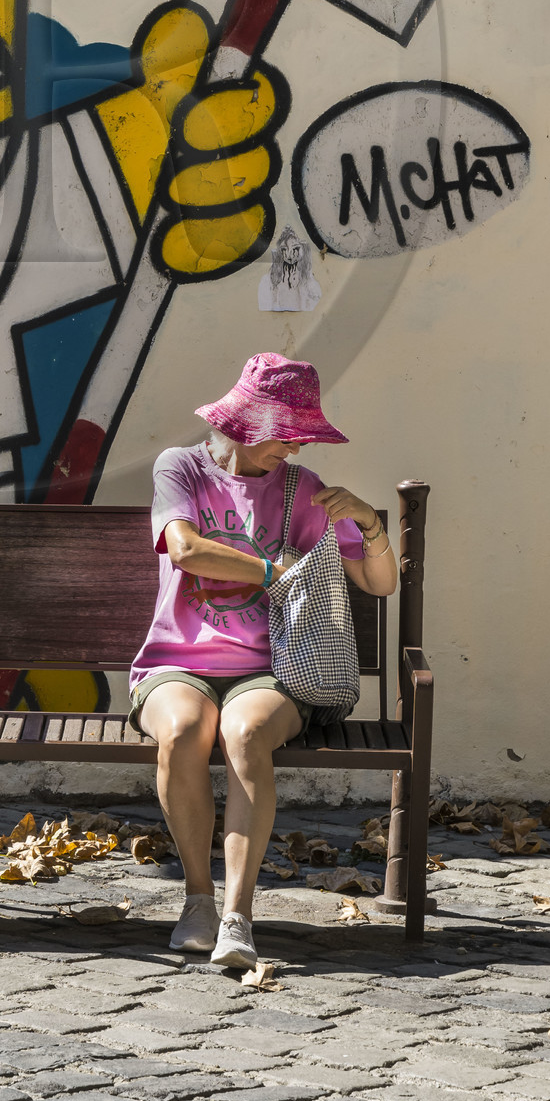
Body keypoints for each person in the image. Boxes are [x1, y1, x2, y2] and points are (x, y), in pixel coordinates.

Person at [128, 353, 398, 967]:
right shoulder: (182, 469)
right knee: (182, 729)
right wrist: (273, 570)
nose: (297, 448)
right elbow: (186, 549)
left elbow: (378, 584)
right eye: (289, 432)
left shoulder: (302, 488)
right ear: (248, 422)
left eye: (306, 436)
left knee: (244, 732)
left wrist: (366, 524)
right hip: (178, 660)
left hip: (271, 668)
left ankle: (236, 917)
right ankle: (197, 899)